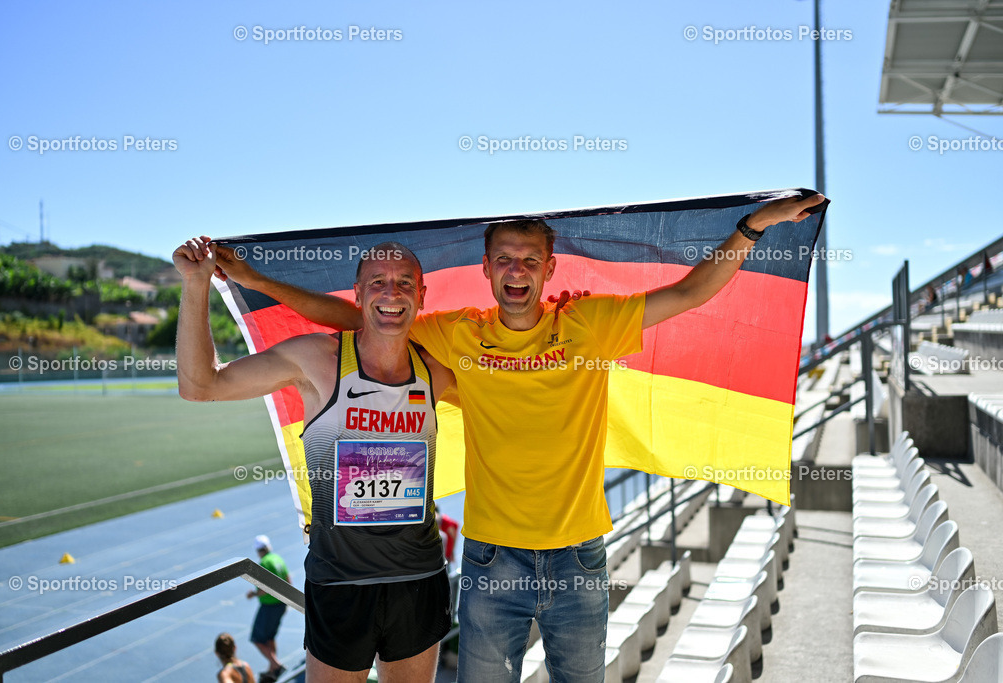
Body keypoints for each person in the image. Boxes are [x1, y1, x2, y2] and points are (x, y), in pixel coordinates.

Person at [213, 193, 825, 682]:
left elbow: (691, 292)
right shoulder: (456, 334)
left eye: (530, 260)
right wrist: (256, 280)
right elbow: (361, 318)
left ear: (549, 269)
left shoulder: (589, 323)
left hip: (578, 558)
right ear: (485, 269)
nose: (516, 271)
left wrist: (753, 226)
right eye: (504, 259)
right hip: (489, 560)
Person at [174, 238, 455, 682]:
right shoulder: (318, 359)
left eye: (405, 283)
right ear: (357, 295)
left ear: (422, 295)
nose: (392, 292)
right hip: (339, 584)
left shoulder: (436, 370)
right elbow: (200, 385)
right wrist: (196, 283)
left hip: (417, 580)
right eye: (377, 283)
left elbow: (513, 386)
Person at [246, 535, 290, 683]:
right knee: (270, 636)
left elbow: (265, 589)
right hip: (280, 604)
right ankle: (272, 670)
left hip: (269, 605)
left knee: (257, 638)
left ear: (258, 550)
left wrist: (253, 594)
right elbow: (288, 579)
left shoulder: (264, 563)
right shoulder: (277, 558)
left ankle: (276, 665)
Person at [434, 505, 460, 569]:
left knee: (446, 568)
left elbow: (454, 536)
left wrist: (452, 552)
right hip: (442, 552)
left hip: (446, 552)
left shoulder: (446, 522)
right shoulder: (438, 521)